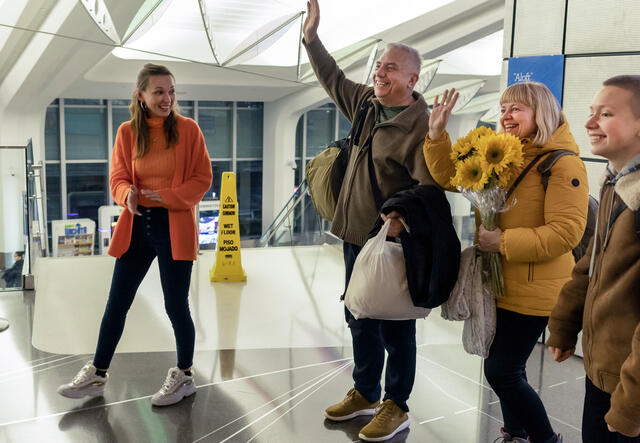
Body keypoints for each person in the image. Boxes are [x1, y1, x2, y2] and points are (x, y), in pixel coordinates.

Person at [303, 1, 446, 441]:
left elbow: (429, 189)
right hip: (352, 235)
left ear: (412, 79)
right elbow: (332, 79)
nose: (380, 74)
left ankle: (396, 405)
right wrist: (311, 38)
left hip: (390, 243)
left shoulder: (420, 127)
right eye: (379, 65)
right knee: (357, 314)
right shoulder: (366, 103)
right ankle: (365, 391)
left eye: (391, 68)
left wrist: (399, 219)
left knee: (394, 325)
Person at [424, 82, 589, 443]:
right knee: (510, 367)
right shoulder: (502, 154)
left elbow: (566, 233)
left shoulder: (563, 164)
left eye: (516, 108)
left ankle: (545, 439)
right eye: (503, 108)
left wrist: (502, 242)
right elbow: (452, 178)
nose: (506, 116)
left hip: (535, 290)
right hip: (498, 284)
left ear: (541, 113)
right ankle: (515, 433)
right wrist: (437, 137)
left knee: (501, 371)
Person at [57, 63, 212, 407]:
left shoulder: (188, 130)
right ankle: (98, 373)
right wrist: (126, 192)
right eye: (159, 92)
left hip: (173, 226)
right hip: (137, 226)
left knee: (175, 305)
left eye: (171, 91)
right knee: (117, 303)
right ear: (140, 95)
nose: (167, 98)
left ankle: (185, 376)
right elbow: (118, 177)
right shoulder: (127, 132)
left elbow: (202, 178)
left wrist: (168, 197)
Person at [547, 75, 640, 442]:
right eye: (591, 113)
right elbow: (591, 262)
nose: (589, 123)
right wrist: (565, 323)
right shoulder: (617, 181)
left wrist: (631, 405)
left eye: (605, 114)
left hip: (631, 387)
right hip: (604, 369)